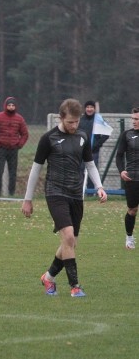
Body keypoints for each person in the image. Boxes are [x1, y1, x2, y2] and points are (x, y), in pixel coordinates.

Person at [21, 98, 107, 298]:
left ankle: (48, 277)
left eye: (76, 122)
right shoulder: (48, 138)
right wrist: (27, 199)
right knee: (68, 237)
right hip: (55, 192)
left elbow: (90, 164)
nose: (74, 126)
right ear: (61, 118)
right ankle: (75, 286)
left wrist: (100, 186)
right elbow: (35, 170)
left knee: (71, 243)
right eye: (70, 122)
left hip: (76, 194)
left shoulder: (82, 136)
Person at [0, 97, 29, 197]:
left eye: (13, 105)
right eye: (9, 105)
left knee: (13, 174)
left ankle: (11, 194)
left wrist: (19, 145)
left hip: (13, 149)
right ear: (5, 106)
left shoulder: (19, 119)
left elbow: (25, 134)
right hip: (1, 149)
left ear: (15, 106)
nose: (11, 107)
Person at [114, 107, 139, 250]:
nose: (134, 122)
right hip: (132, 179)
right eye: (133, 119)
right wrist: (121, 170)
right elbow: (119, 155)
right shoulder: (127, 135)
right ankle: (129, 238)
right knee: (132, 210)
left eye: (136, 119)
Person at [78, 101, 110, 189]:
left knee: (92, 171)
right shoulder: (80, 120)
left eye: (91, 107)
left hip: (93, 151)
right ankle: (80, 190)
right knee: (80, 170)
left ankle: (91, 192)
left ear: (94, 109)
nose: (89, 109)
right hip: (81, 150)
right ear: (85, 109)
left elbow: (107, 132)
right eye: (87, 107)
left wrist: (97, 144)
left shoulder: (98, 120)